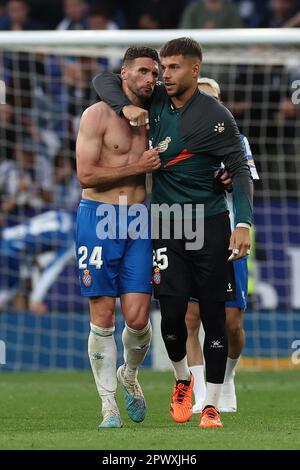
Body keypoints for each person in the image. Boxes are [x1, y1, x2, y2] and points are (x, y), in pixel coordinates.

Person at [93, 37, 253, 429]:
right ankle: (183, 379)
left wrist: (244, 223)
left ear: (195, 70)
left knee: (216, 314)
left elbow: (241, 170)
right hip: (165, 221)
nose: (164, 75)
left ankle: (212, 403)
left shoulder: (217, 117)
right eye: (162, 67)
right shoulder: (154, 103)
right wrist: (126, 105)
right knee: (174, 313)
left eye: (173, 67)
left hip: (210, 222)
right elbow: (103, 81)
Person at [76, 47, 161, 429]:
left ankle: (129, 373)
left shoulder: (155, 115)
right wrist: (136, 166)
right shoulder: (96, 115)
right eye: (142, 71)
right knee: (103, 315)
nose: (150, 79)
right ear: (123, 73)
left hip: (139, 220)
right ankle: (108, 405)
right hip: (98, 216)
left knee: (140, 319)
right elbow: (86, 176)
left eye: (154, 73)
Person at [186, 77, 259, 413]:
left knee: (232, 321)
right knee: (190, 318)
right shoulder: (179, 139)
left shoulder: (236, 140)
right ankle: (202, 393)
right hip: (187, 232)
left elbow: (245, 185)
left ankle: (227, 377)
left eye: (213, 99)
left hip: (227, 232)